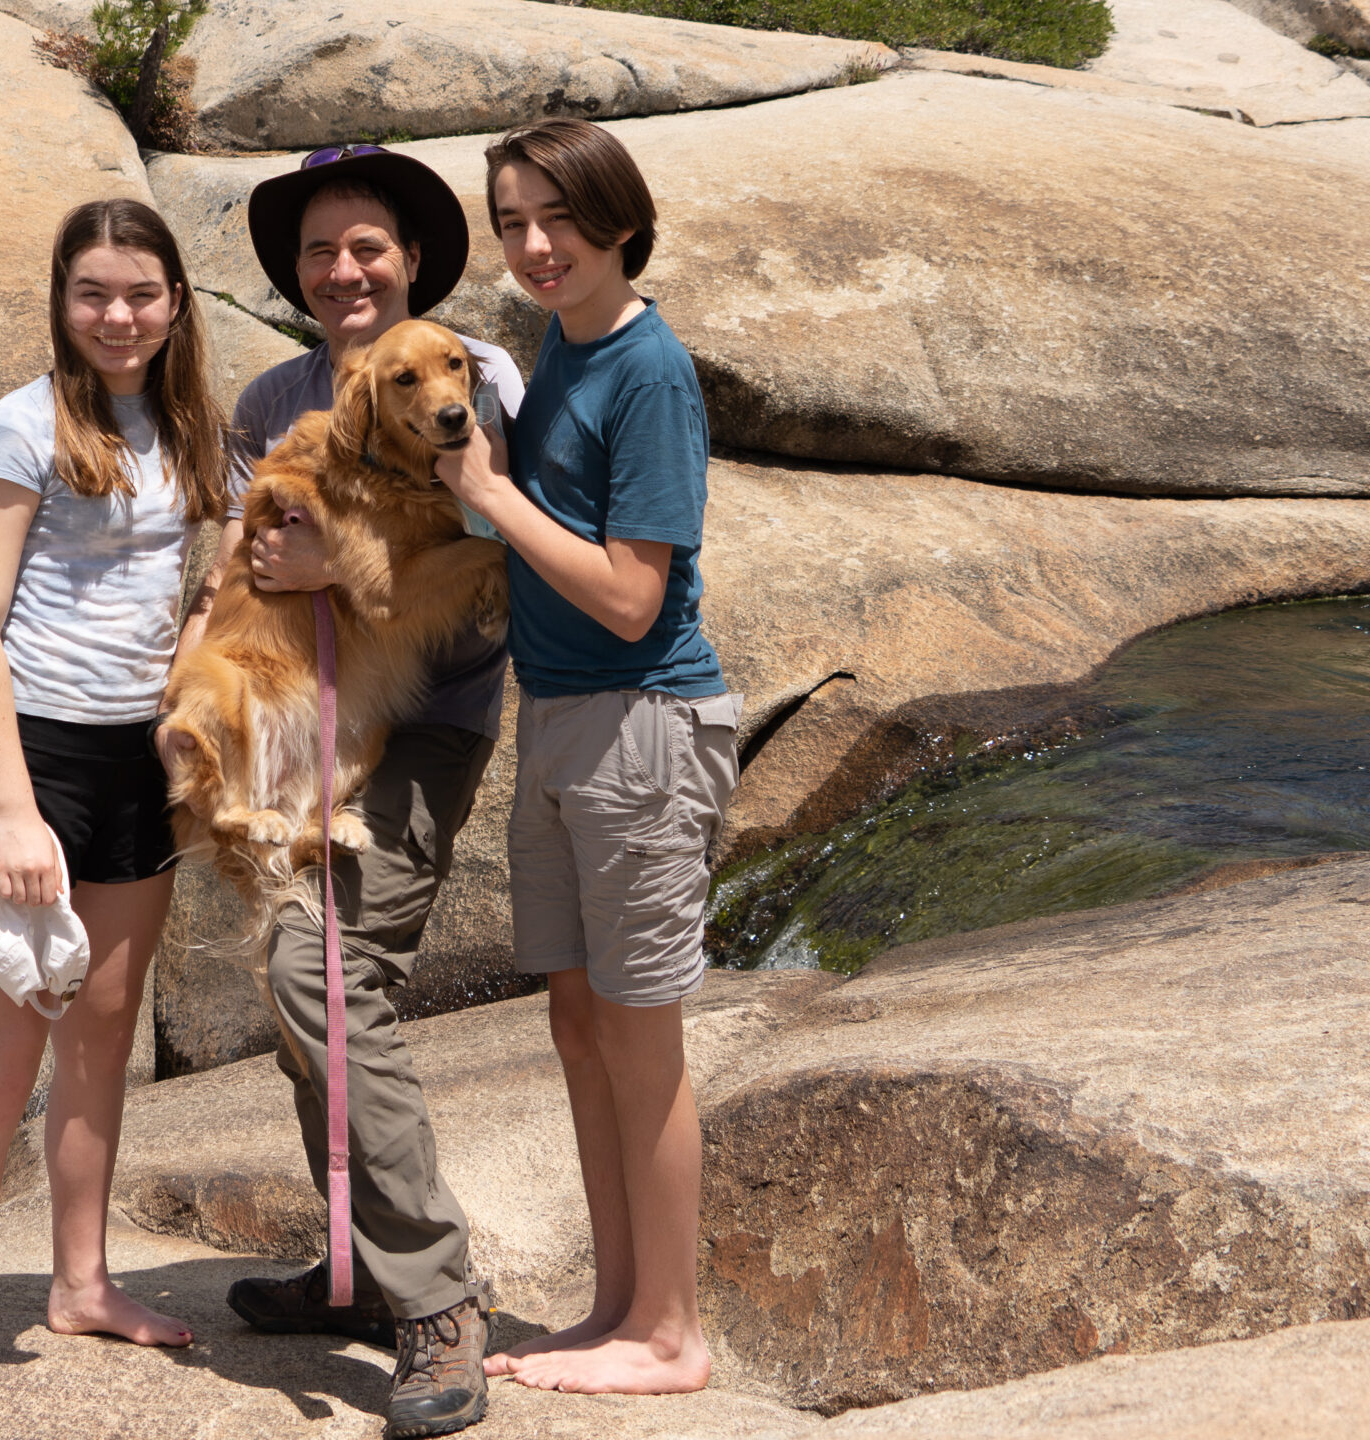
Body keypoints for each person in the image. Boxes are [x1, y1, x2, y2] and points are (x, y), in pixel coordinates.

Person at [158, 143, 525, 1440]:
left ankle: (435, 1303)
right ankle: (364, 1266)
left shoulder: (476, 379)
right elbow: (241, 560)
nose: (343, 269)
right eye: (319, 251)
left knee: (323, 975)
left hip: (421, 730)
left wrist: (343, 565)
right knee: (301, 981)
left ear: (412, 257)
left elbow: (499, 547)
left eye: (367, 245)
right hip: (302, 729)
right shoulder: (272, 398)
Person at [0, 197, 231, 1431]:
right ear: (61, 301)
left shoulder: (194, 426)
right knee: (2, 1062)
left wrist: (192, 671)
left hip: (135, 765)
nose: (118, 315)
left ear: (176, 302)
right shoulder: (22, 423)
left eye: (140, 293)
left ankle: (83, 1282)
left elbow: (208, 577)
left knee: (102, 1038)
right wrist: (14, 811)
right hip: (27, 762)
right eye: (93, 293)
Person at [436, 118, 742, 1397]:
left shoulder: (647, 371)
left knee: (640, 1033)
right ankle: (616, 1303)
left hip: (642, 721)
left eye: (555, 216)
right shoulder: (551, 353)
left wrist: (497, 500)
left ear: (619, 217)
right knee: (575, 1022)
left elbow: (630, 594)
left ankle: (670, 1335)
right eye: (509, 221)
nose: (533, 244)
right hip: (559, 720)